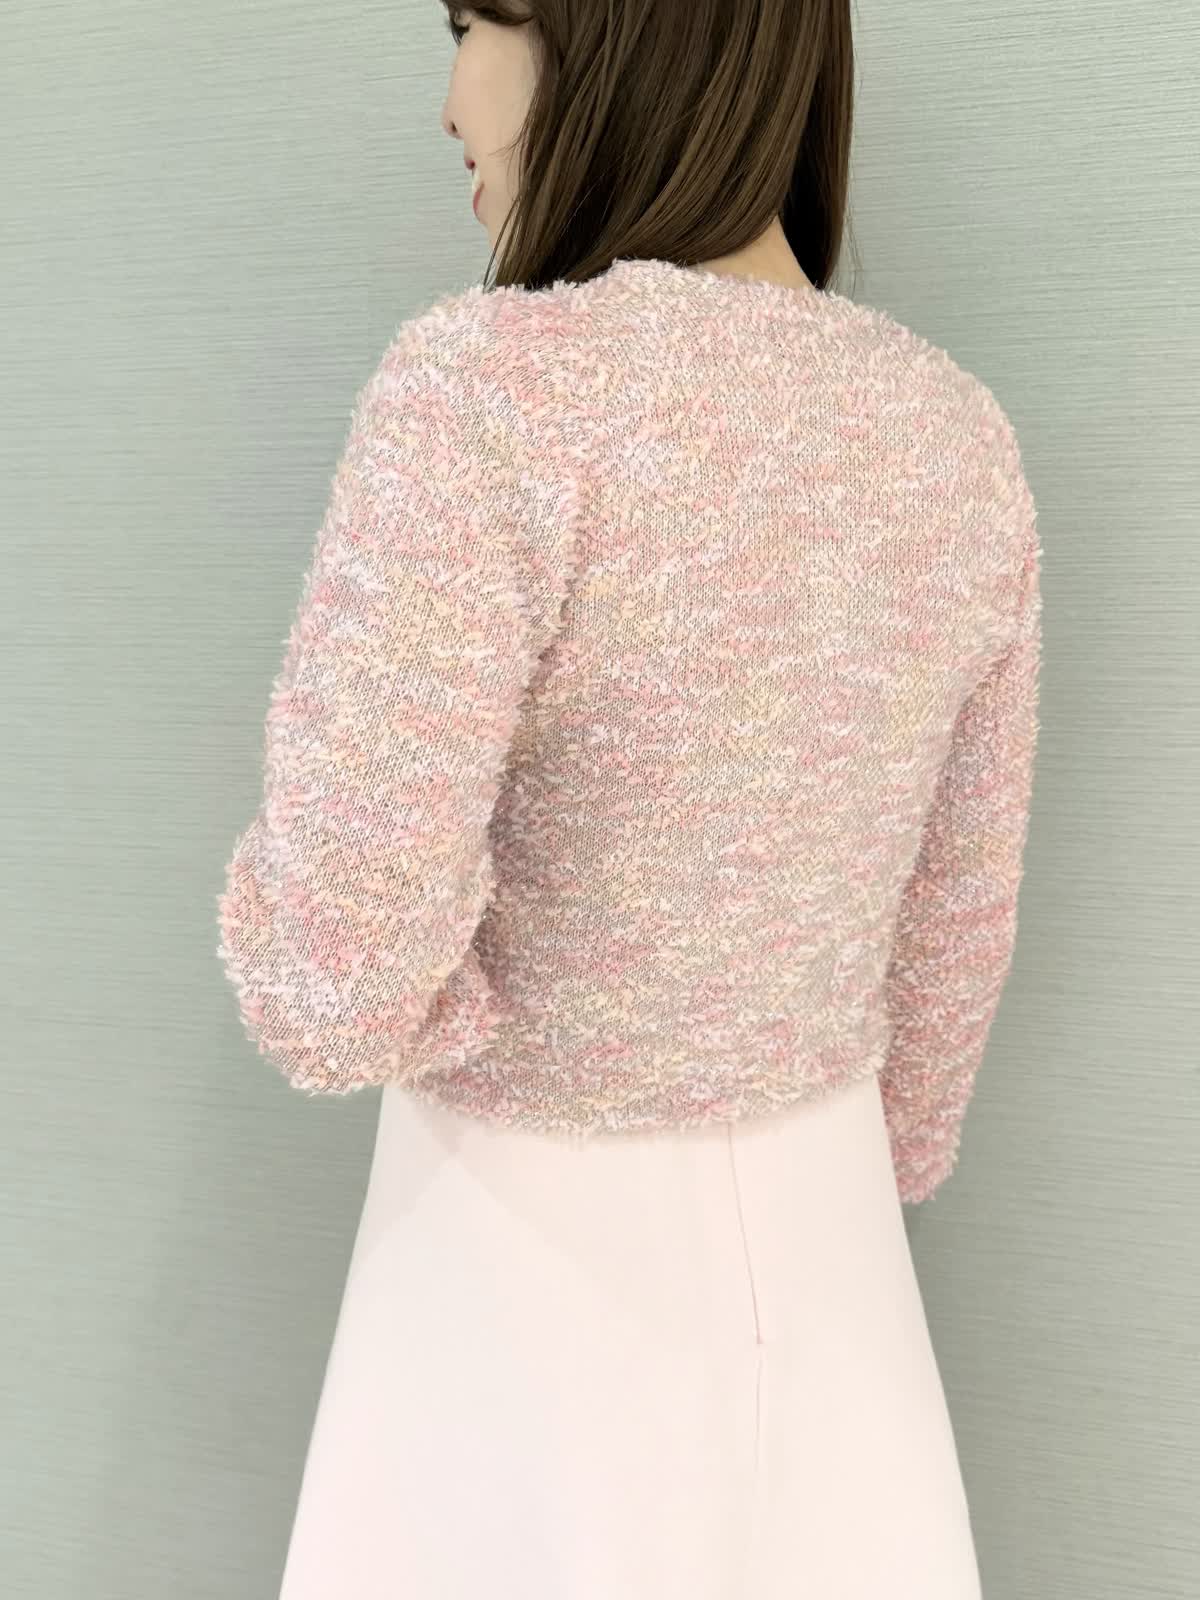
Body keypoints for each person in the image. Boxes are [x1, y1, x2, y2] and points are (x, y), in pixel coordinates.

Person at [217, 4, 1043, 1595]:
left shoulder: (491, 394)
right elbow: (951, 959)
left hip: (520, 1294)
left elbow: (334, 980)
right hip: (837, 1278)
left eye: (479, 23)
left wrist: (510, 1003)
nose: (452, 99)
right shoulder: (957, 438)